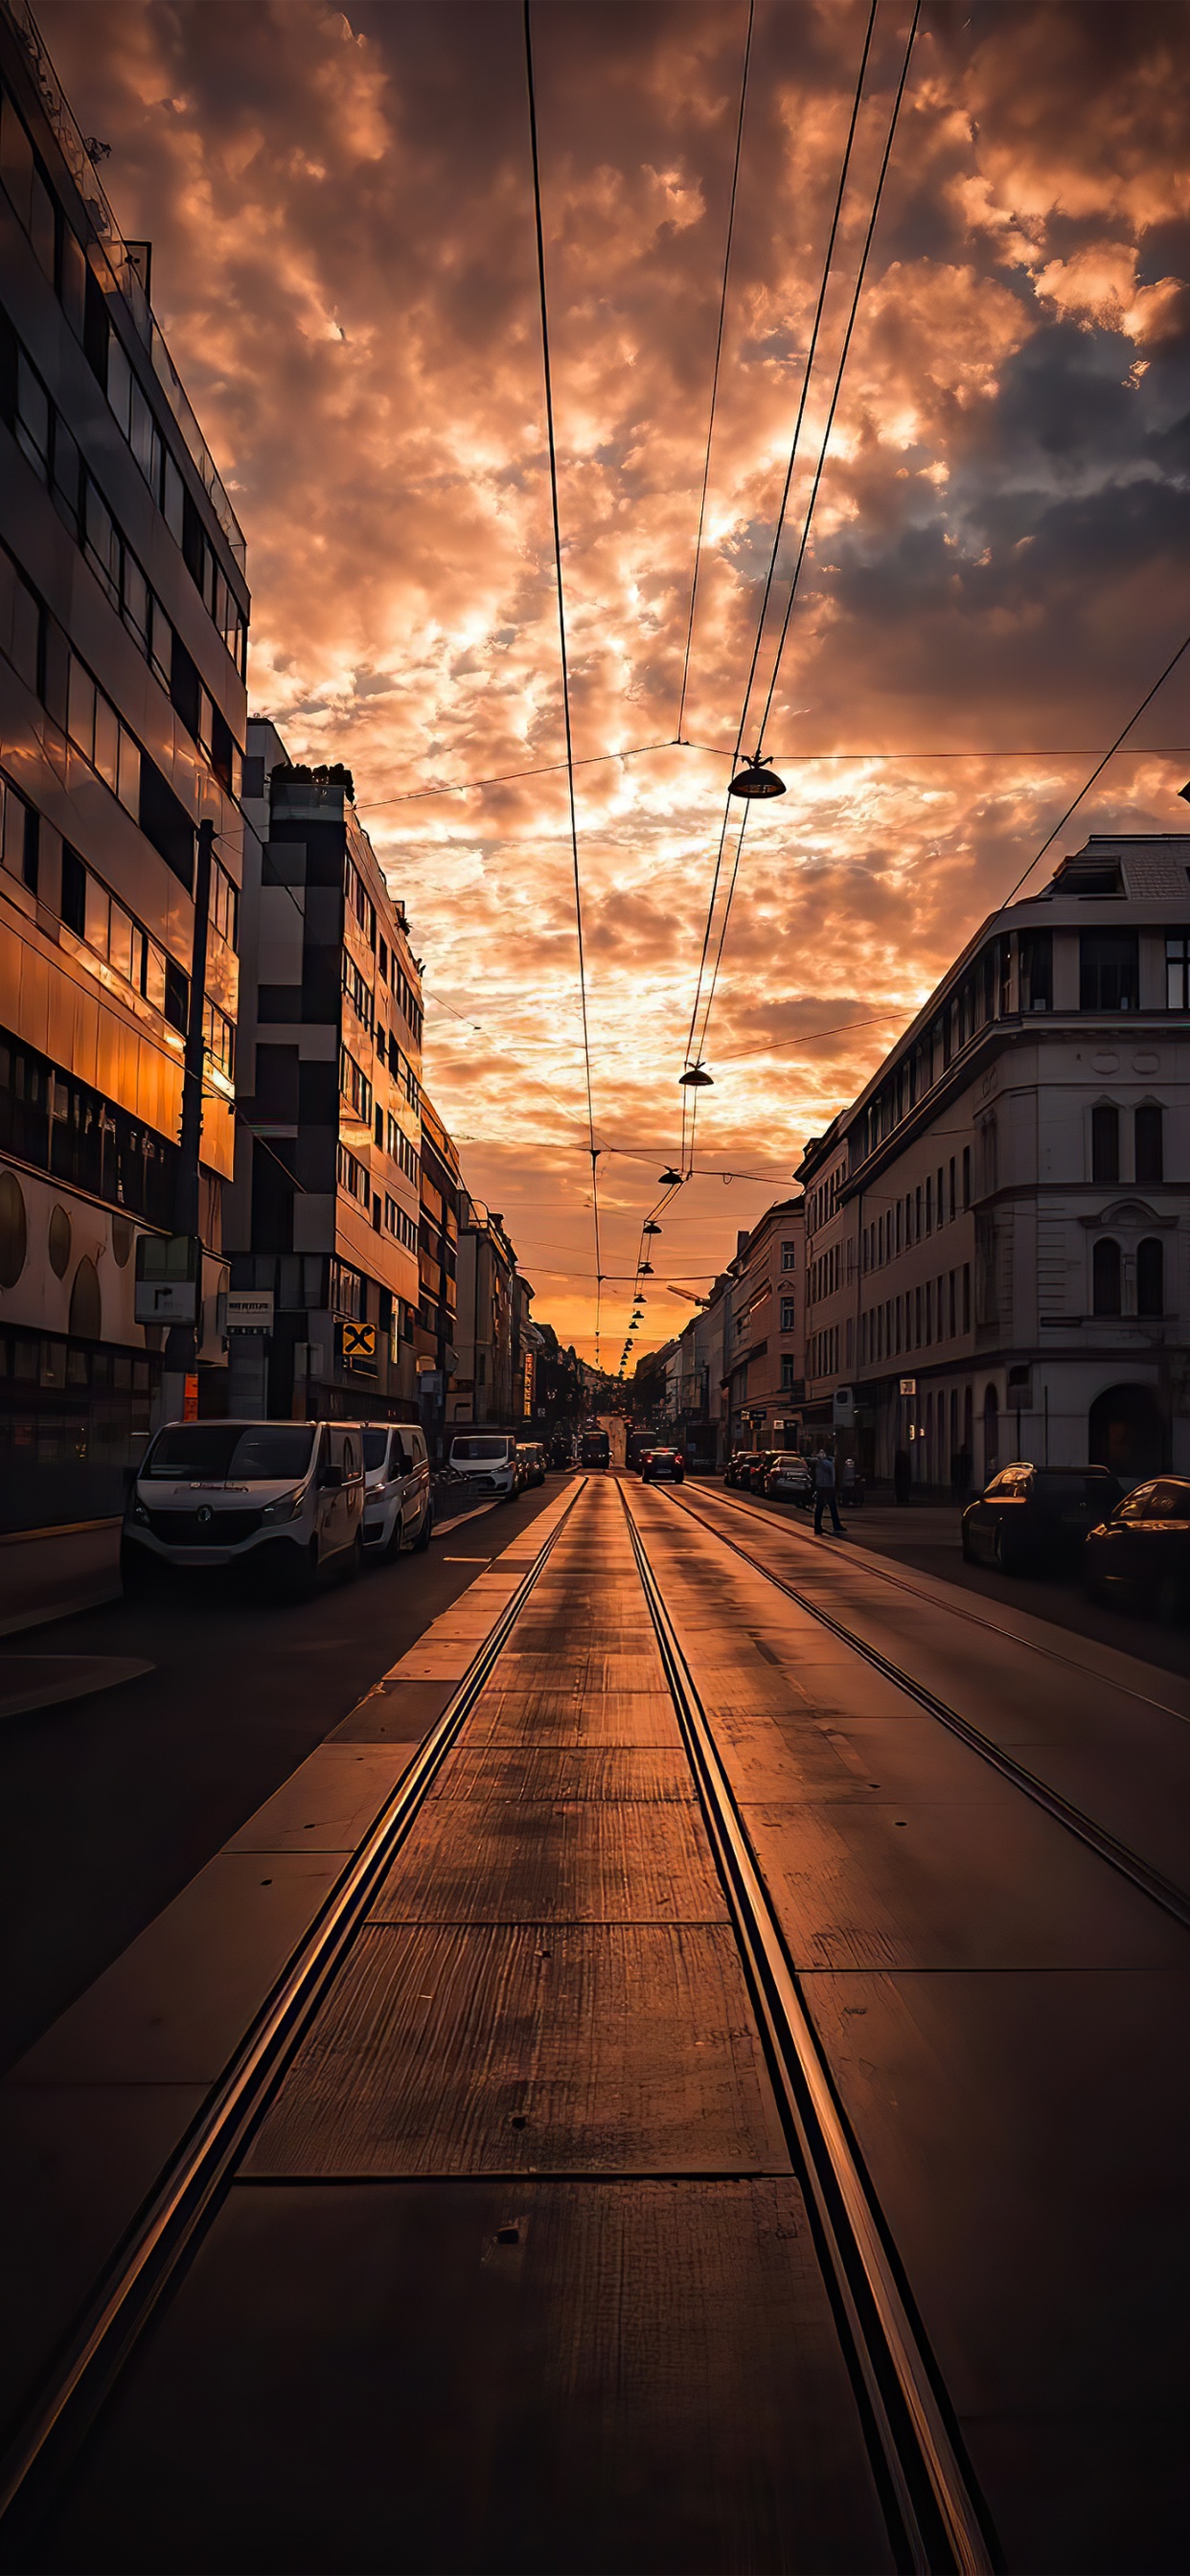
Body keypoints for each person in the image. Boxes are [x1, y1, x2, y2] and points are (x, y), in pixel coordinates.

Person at [812, 1443, 843, 1535]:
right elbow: (832, 1476)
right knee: (831, 1506)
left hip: (820, 1486)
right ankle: (836, 1525)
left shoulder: (818, 1463)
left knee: (820, 1507)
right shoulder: (828, 1464)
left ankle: (818, 1527)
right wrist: (834, 1485)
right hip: (827, 1487)